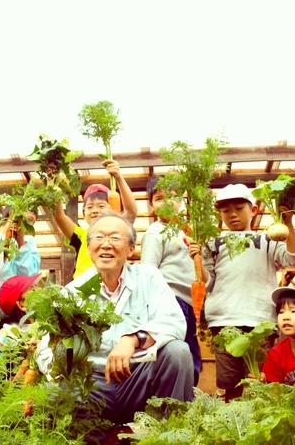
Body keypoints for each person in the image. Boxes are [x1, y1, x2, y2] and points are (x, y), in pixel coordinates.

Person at [67, 212, 192, 427]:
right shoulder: (73, 292)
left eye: (115, 238)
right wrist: (70, 360)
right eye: (98, 237)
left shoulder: (150, 278)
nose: (106, 244)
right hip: (93, 386)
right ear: (88, 248)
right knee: (54, 391)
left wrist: (134, 338)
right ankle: (97, 437)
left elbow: (175, 322)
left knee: (178, 352)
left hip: (140, 379)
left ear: (131, 249)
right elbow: (46, 350)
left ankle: (168, 432)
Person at [192, 183, 295, 400]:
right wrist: (196, 260)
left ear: (253, 210)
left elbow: (294, 259)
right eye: (225, 211)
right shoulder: (214, 243)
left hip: (260, 319)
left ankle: (262, 424)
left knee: (262, 379)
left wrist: (288, 224)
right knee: (230, 382)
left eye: (239, 209)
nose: (232, 215)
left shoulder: (268, 239)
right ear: (220, 214)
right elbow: (208, 283)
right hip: (223, 321)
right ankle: (234, 425)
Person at [138, 176, 201, 384]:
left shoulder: (185, 232)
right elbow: (148, 271)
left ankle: (189, 393)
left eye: (171, 197)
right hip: (172, 300)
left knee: (190, 349)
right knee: (178, 349)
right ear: (151, 206)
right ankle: (179, 394)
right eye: (158, 198)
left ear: (181, 200)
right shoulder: (155, 232)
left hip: (189, 303)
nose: (165, 203)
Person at [53, 159, 137, 279]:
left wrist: (118, 177)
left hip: (116, 284)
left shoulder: (119, 227)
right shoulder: (81, 234)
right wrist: (54, 183)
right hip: (84, 289)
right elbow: (59, 216)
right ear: (83, 214)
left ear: (113, 209)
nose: (95, 210)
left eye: (101, 206)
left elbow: (131, 211)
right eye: (89, 207)